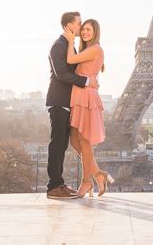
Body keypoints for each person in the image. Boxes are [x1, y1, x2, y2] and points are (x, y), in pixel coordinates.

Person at [46, 11, 98, 199]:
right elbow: (62, 75)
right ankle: (53, 186)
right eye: (79, 23)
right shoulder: (58, 46)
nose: (81, 26)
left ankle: (59, 184)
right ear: (69, 25)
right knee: (57, 144)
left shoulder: (67, 45)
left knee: (61, 145)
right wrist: (86, 81)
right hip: (59, 102)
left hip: (66, 103)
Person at [63, 18, 114, 197]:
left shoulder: (95, 49)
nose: (84, 32)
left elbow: (70, 59)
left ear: (95, 32)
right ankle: (99, 175)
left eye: (88, 30)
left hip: (85, 96)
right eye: (83, 29)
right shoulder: (88, 50)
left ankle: (86, 182)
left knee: (83, 141)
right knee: (75, 142)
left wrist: (70, 40)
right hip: (79, 95)